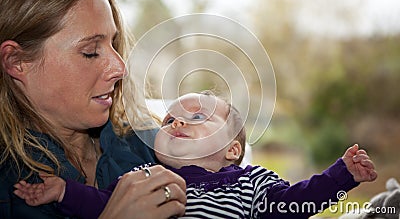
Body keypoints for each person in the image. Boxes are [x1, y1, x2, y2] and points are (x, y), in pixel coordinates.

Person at [0, 0, 186, 218]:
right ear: (16, 61)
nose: (120, 68)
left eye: (113, 43)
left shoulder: (150, 145)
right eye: (90, 52)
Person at [14, 92, 378, 218]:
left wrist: (341, 176)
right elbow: (102, 206)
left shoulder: (250, 183)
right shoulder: (144, 178)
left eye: (197, 117)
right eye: (170, 118)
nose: (177, 122)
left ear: (232, 150)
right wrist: (63, 191)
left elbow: (293, 204)